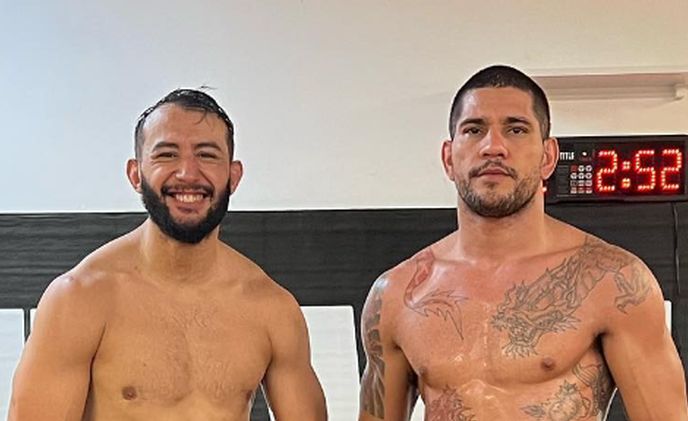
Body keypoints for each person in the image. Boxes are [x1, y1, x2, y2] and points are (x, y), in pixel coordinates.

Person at [358, 65, 688, 420]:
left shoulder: (613, 280)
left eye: (516, 129)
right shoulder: (395, 295)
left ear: (548, 157)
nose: (493, 147)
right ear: (448, 158)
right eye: (474, 130)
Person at [9, 89, 327, 421]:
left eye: (207, 155)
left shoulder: (271, 308)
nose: (188, 173)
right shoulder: (80, 299)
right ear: (136, 174)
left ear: (233, 176)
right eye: (167, 155)